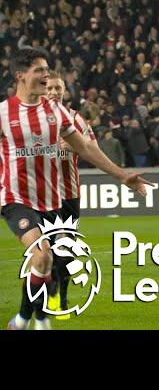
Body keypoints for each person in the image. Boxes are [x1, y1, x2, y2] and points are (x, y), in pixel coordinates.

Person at [3, 48, 152, 330]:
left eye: (48, 70)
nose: (46, 76)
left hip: (52, 200)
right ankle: (35, 320)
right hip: (16, 198)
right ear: (20, 75)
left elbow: (86, 148)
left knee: (45, 262)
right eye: (39, 70)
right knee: (43, 254)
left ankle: (28, 317)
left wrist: (122, 176)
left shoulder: (56, 112)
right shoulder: (3, 113)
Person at [44, 72, 99, 319]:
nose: (54, 92)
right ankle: (54, 296)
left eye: (58, 88)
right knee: (50, 248)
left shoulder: (76, 119)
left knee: (66, 247)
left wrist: (76, 145)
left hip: (70, 194)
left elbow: (93, 150)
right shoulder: (32, 119)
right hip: (43, 194)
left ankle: (60, 297)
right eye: (50, 88)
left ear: (64, 91)